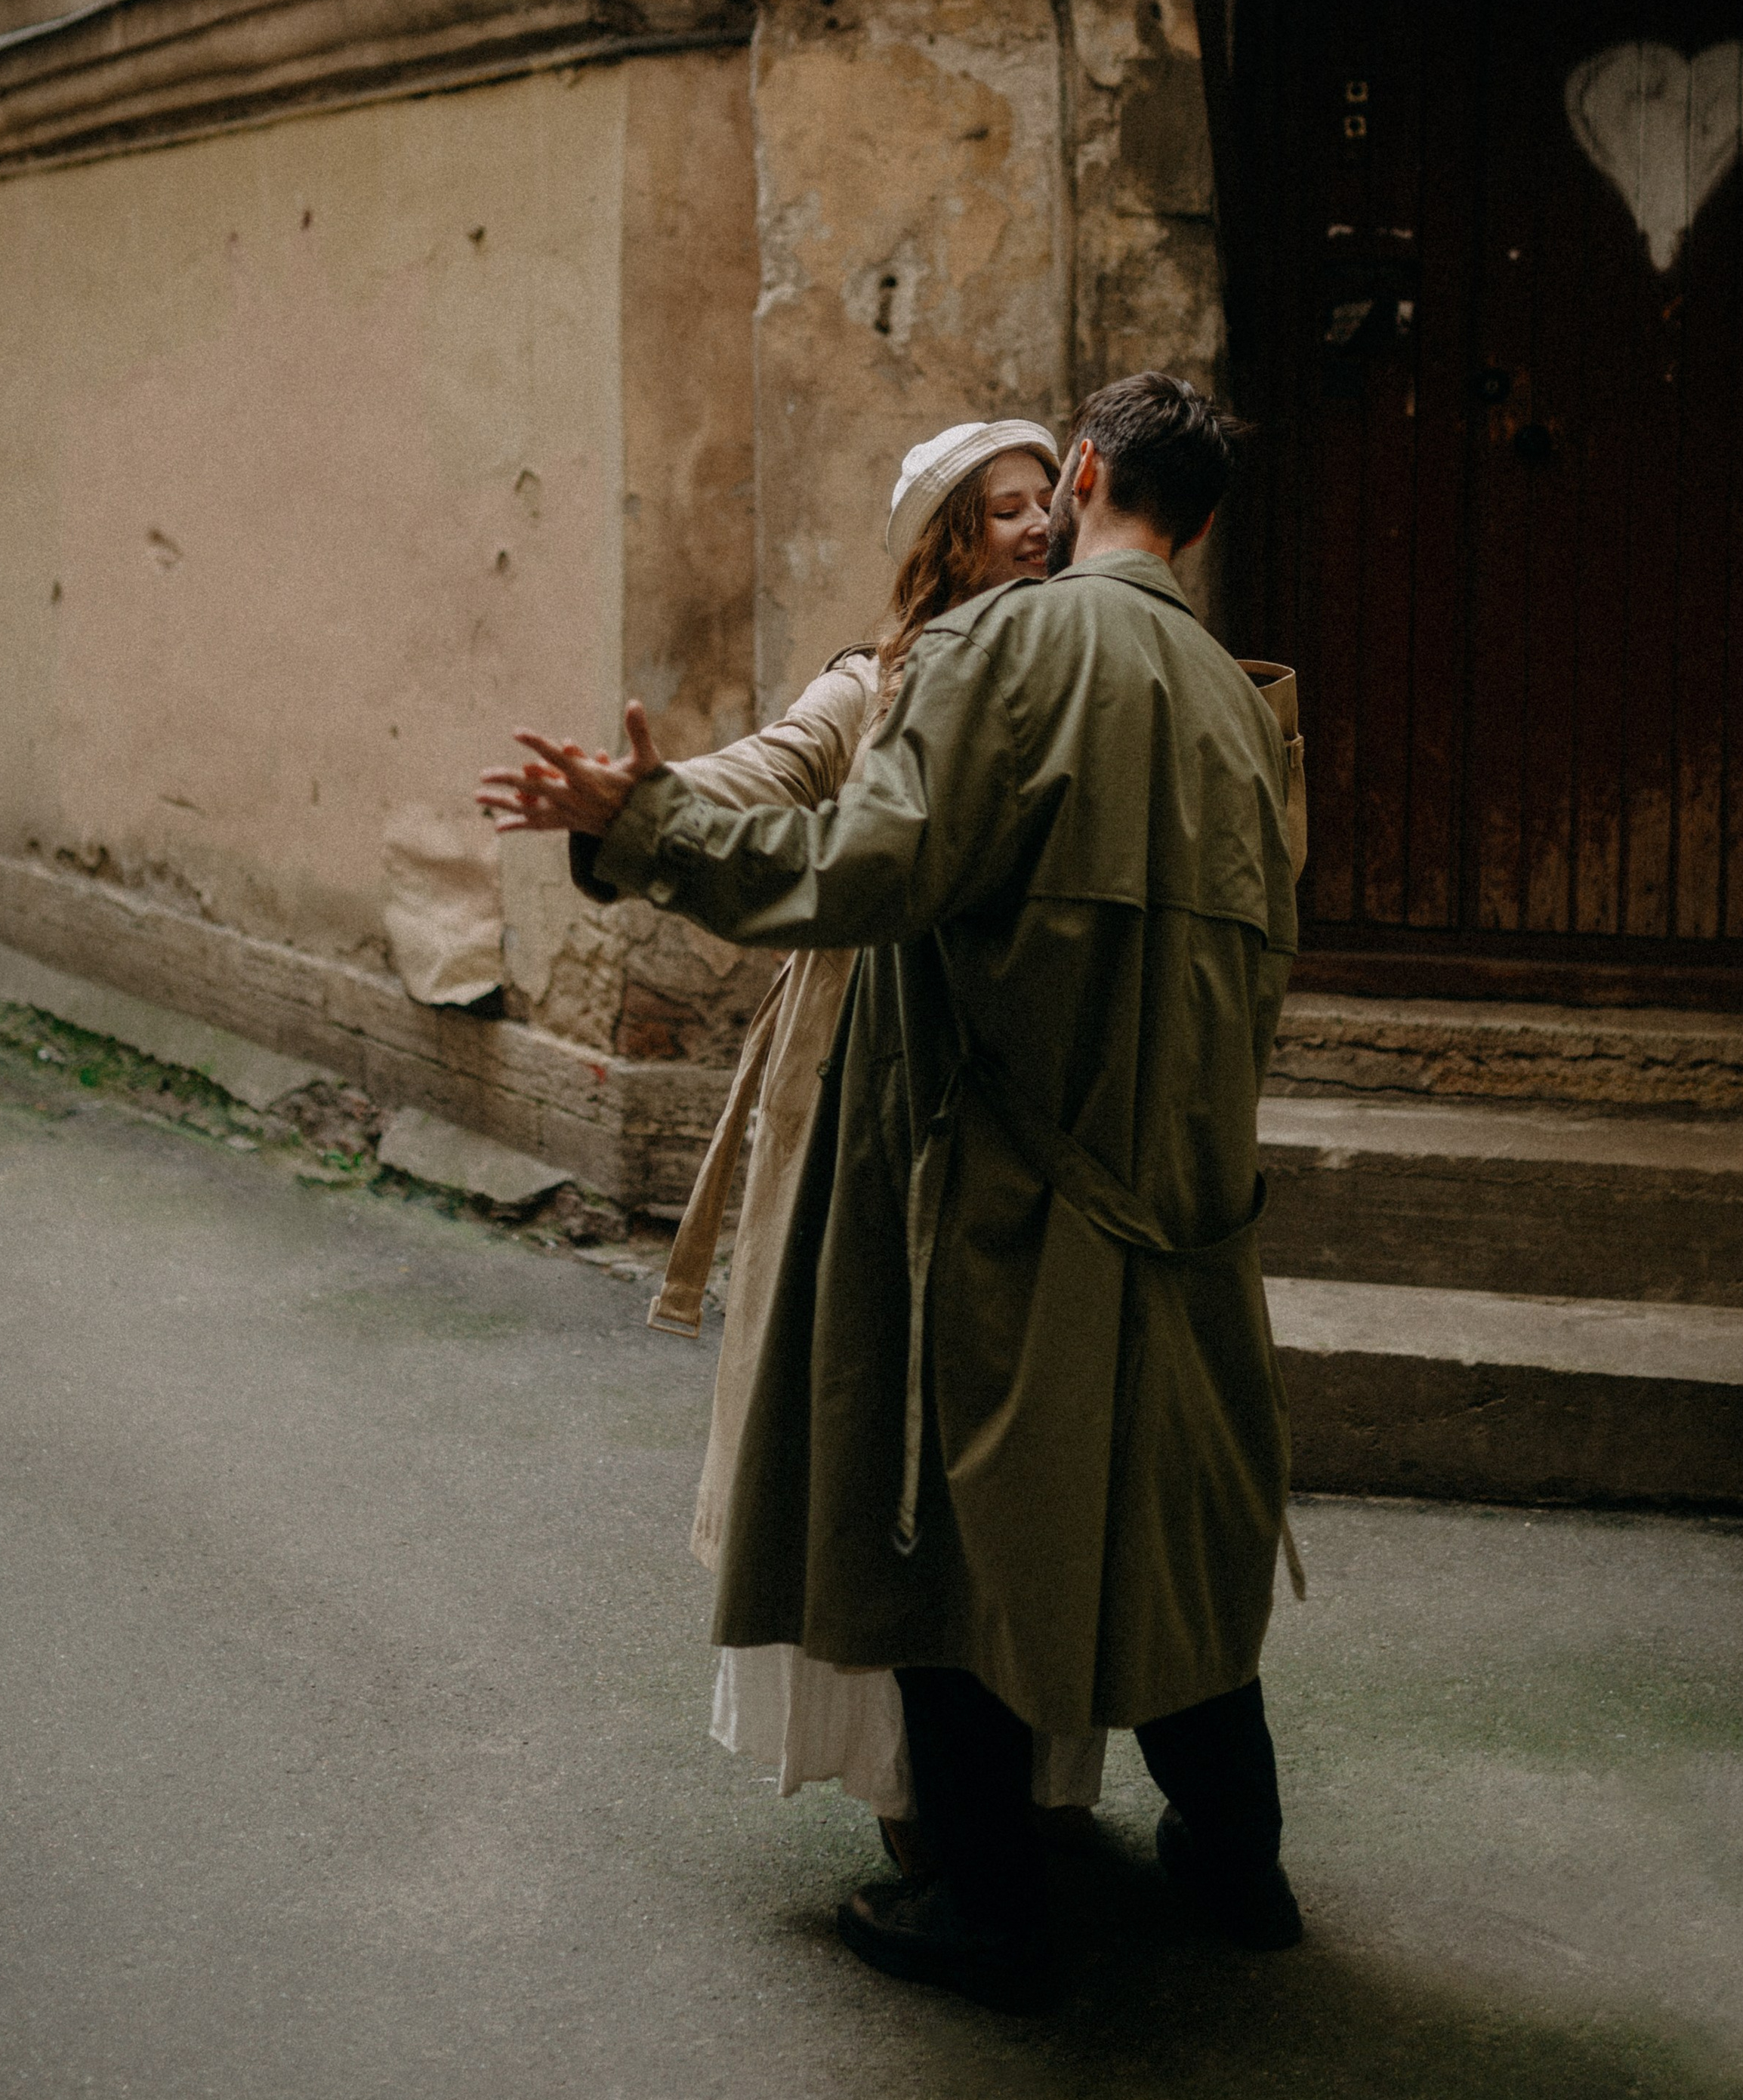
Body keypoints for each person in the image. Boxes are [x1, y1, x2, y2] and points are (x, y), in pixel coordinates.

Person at [484, 372, 1301, 2013]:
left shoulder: (1005, 646)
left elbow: (865, 867)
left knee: (952, 1539)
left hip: (1005, 1184)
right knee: (1172, 1529)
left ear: (1085, 472)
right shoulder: (1240, 697)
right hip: (1186, 1195)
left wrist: (643, 827)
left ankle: (985, 1903)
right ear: (1204, 521)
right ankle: (1239, 1864)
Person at [485, 418, 1105, 1862]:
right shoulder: (874, 683)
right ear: (947, 543)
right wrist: (639, 807)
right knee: (866, 1427)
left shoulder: (1082, 671)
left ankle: (1029, 1787)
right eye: (1000, 510)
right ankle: (913, 1788)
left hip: (1023, 1100)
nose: (1034, 527)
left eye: (1045, 504)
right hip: (863, 1094)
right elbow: (766, 771)